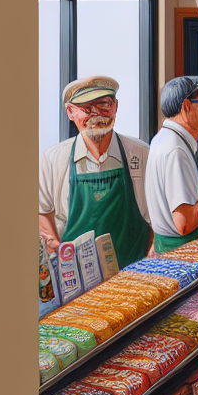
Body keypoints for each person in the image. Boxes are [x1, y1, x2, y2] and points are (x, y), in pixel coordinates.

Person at [38, 75, 153, 266]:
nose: (96, 115)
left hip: (134, 276)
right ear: (70, 112)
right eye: (86, 109)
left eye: (104, 105)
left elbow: (156, 216)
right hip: (75, 279)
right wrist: (56, 249)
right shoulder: (54, 158)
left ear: (116, 107)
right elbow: (43, 211)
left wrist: (150, 256)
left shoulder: (142, 154)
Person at [145, 74, 198, 253]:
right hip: (183, 254)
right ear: (187, 106)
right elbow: (184, 223)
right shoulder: (177, 150)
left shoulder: (164, 139)